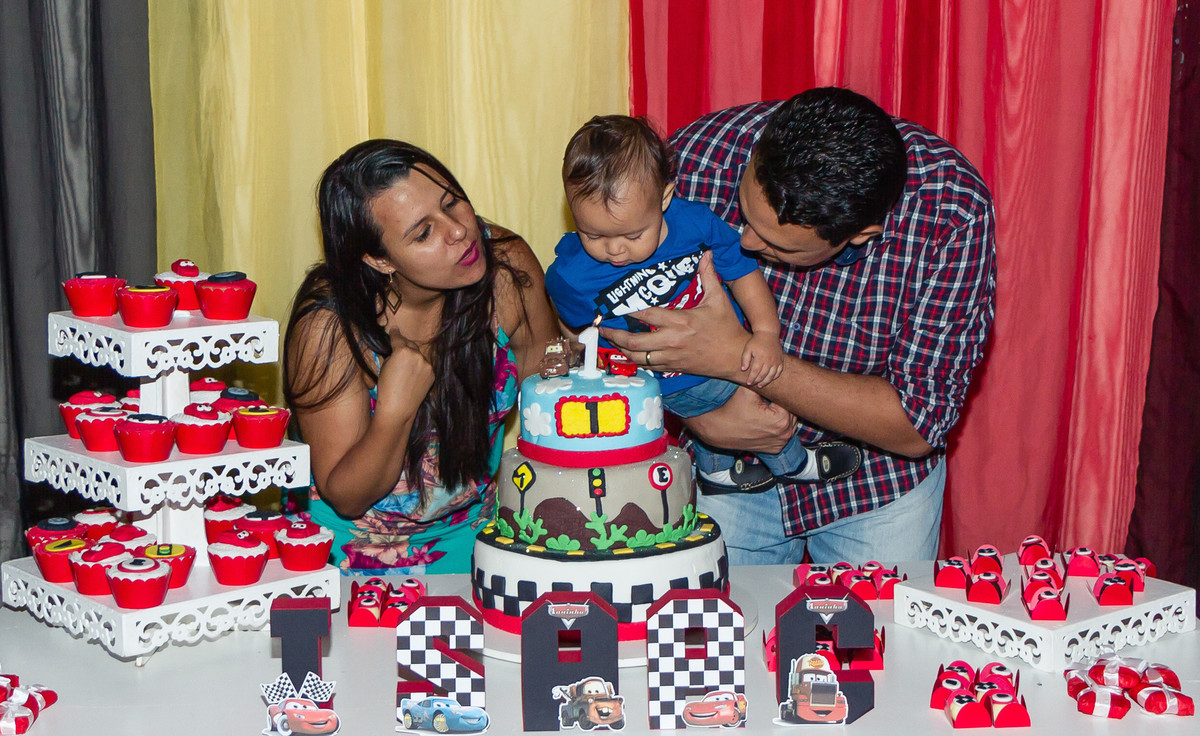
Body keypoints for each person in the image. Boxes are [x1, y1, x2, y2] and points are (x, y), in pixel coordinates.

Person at [602, 88, 997, 564]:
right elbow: (602, 308)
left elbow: (918, 423)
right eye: (745, 214)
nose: (744, 242)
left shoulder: (951, 214)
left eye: (778, 247)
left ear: (860, 236)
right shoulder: (701, 156)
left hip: (875, 485)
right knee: (727, 632)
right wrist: (699, 414)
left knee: (875, 638)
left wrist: (739, 357)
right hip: (728, 474)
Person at [545, 115, 861, 492]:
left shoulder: (694, 224)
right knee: (749, 400)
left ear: (664, 197)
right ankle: (793, 462)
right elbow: (581, 333)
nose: (614, 250)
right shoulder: (571, 275)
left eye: (633, 234)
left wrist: (765, 332)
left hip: (722, 343)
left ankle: (715, 471)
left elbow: (741, 271)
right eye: (592, 234)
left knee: (750, 384)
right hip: (662, 378)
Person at [284, 139, 557, 574]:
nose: (458, 231)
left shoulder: (506, 268)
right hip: (350, 553)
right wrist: (396, 409)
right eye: (423, 232)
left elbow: (550, 394)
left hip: (480, 538)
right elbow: (347, 496)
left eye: (452, 203)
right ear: (378, 259)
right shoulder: (330, 326)